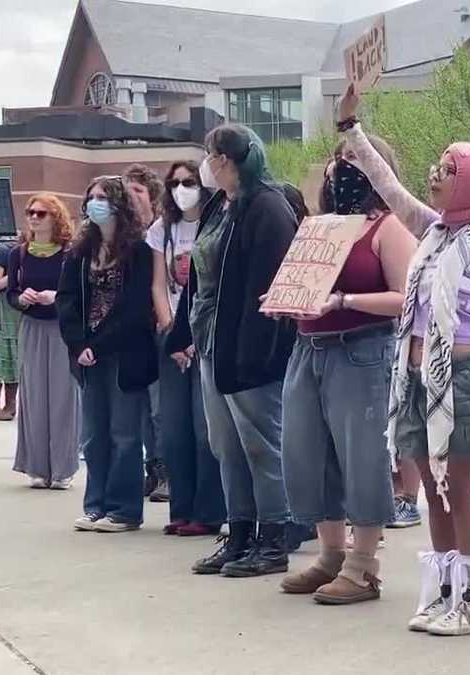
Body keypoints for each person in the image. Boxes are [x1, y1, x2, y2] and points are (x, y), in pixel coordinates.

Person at [338, 83, 470, 636]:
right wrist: (351, 129)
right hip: (415, 376)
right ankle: (447, 591)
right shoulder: (433, 231)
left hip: (462, 379)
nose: (435, 175)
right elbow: (386, 185)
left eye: (446, 169)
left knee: (458, 487)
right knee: (434, 487)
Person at [272, 132, 416, 605]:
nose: (343, 167)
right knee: (305, 453)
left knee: (362, 457)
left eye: (355, 159)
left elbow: (407, 299)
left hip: (362, 349)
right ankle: (331, 552)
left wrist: (345, 300)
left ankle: (364, 562)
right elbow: (298, 285)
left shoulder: (388, 227)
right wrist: (283, 303)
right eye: (339, 159)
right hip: (309, 348)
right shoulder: (318, 227)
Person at [166, 125, 297, 577]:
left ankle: (274, 537)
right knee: (226, 446)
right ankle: (238, 533)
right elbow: (198, 282)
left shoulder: (268, 207)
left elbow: (267, 287)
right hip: (212, 344)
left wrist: (253, 351)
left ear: (226, 159)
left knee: (262, 446)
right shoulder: (220, 207)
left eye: (210, 154)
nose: (206, 163)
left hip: (249, 353)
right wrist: (181, 333)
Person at [57, 176, 157, 532]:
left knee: (125, 435)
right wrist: (78, 343)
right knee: (93, 435)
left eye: (103, 197)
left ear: (119, 205)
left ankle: (124, 509)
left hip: (123, 355)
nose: (95, 203)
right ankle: (96, 504)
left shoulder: (139, 252)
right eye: (91, 197)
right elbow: (66, 300)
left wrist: (97, 345)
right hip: (86, 357)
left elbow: (135, 308)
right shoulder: (80, 253)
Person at [146, 161, 225, 536]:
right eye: (174, 183)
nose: (181, 189)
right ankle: (182, 508)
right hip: (173, 337)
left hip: (208, 336)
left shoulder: (217, 223)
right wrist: (171, 330)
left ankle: (209, 512)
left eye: (188, 182)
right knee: (173, 428)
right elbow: (158, 286)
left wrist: (193, 336)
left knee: (204, 428)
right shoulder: (161, 230)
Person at [9, 193, 81, 490]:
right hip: (32, 326)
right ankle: (37, 466)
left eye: (41, 213)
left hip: (62, 328)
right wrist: (21, 299)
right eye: (30, 213)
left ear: (55, 217)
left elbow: (79, 294)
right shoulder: (19, 254)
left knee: (63, 398)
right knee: (34, 395)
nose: (34, 218)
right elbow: (10, 292)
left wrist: (57, 297)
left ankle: (63, 468)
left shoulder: (71, 253)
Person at [125, 163, 169, 501]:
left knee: (159, 407)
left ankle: (166, 470)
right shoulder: (122, 236)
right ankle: (151, 468)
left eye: (138, 190)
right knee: (139, 409)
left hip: (159, 327)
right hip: (132, 332)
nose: (130, 196)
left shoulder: (160, 233)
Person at [0, 234, 21, 422]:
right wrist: (15, 276)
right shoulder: (4, 252)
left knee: (15, 359)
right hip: (1, 310)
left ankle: (10, 405)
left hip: (19, 312)